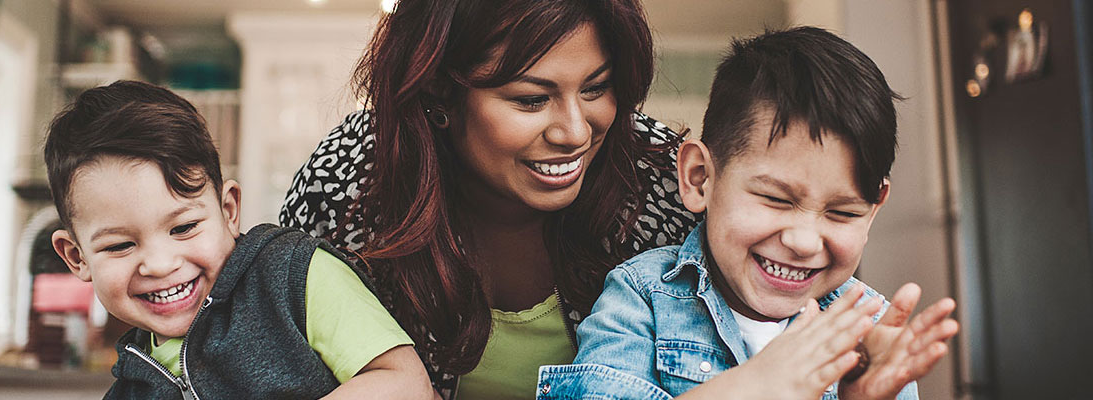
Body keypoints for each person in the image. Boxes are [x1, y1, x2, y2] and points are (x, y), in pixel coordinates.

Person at [278, 0, 698, 398]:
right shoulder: (351, 175)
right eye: (531, 100)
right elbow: (275, 339)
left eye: (595, 89)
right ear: (439, 89)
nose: (575, 133)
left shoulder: (659, 180)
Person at [535, 27, 960, 400]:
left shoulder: (870, 334)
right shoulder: (642, 300)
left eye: (842, 213)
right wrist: (750, 386)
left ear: (873, 211)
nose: (804, 240)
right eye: (776, 199)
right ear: (700, 178)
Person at [44, 81, 433, 399]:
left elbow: (407, 384)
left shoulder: (294, 277)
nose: (160, 264)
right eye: (120, 246)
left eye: (183, 228)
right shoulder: (130, 386)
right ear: (76, 257)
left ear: (229, 211)